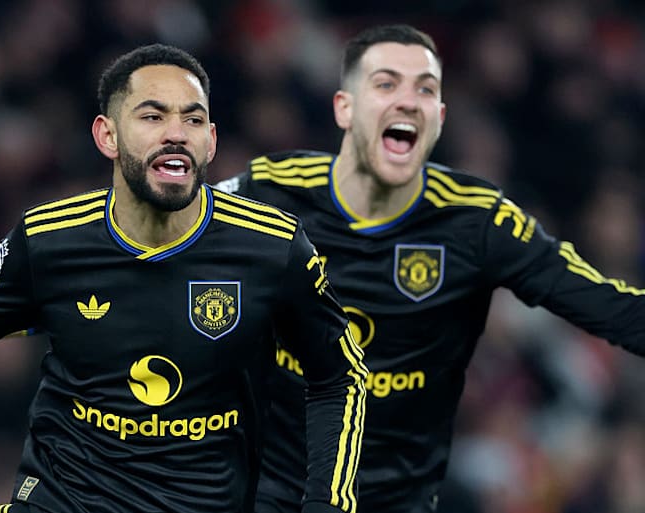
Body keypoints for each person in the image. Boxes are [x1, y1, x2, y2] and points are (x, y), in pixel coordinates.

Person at [0, 44, 368, 513]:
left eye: (193, 119)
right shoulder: (49, 239)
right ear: (106, 135)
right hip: (63, 498)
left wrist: (327, 504)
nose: (176, 132)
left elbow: (338, 374)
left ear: (210, 141)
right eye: (152, 116)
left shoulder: (271, 246)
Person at [214, 24, 645, 513]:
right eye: (385, 84)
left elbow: (611, 308)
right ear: (344, 108)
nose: (407, 101)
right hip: (270, 491)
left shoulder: (478, 222)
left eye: (424, 89)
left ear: (438, 117)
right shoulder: (269, 191)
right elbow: (163, 229)